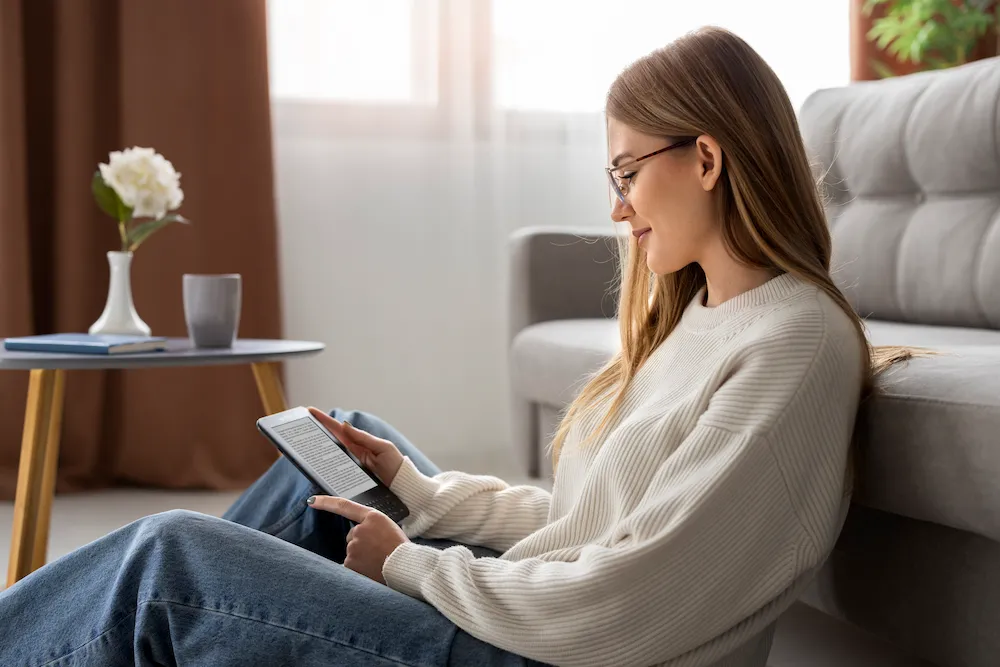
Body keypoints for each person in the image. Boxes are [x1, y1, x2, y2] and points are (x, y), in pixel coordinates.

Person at [0, 26, 918, 667]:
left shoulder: (792, 345)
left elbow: (629, 604)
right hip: (538, 620)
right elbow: (590, 526)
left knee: (172, 558)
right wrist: (421, 490)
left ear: (708, 160)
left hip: (555, 656)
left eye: (627, 172)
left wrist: (407, 561)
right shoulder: (705, 319)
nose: (618, 206)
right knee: (345, 449)